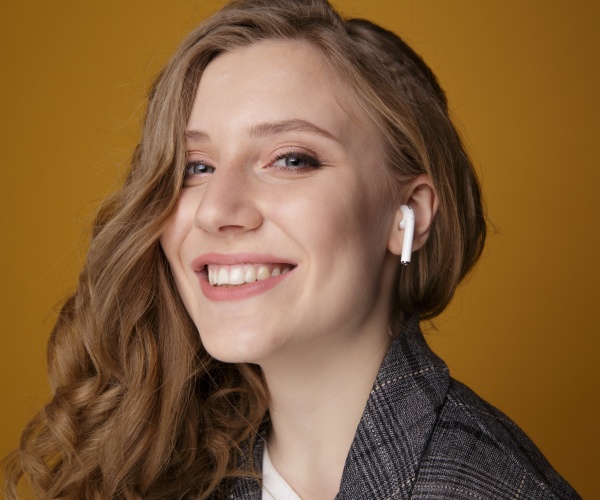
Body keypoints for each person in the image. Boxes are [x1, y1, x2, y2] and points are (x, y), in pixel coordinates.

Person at [2, 0, 579, 498]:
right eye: (196, 166)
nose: (216, 209)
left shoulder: (485, 484)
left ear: (409, 217)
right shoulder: (180, 465)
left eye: (291, 159)